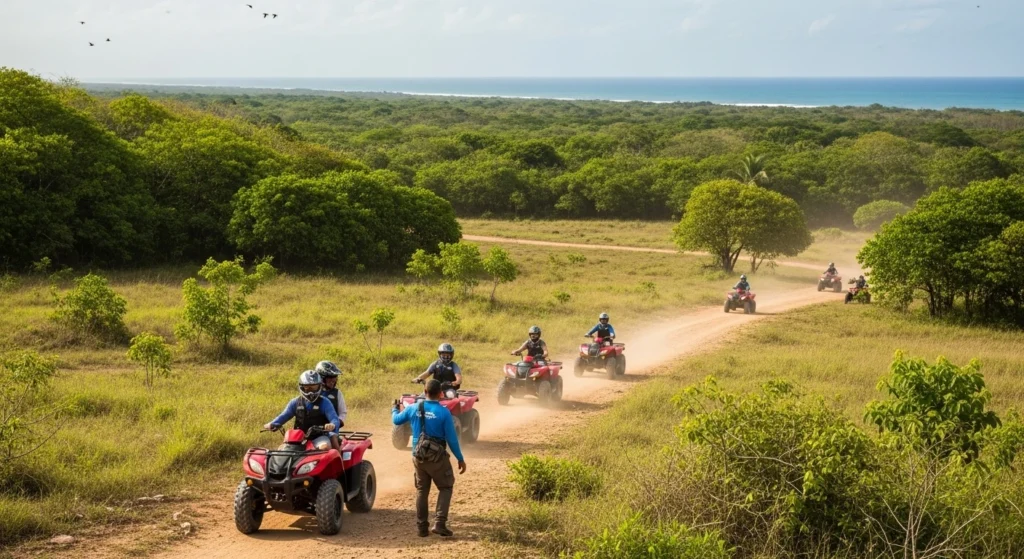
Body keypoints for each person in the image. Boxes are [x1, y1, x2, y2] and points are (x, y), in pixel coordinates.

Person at [392, 379, 467, 538]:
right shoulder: (444, 412)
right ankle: (439, 523)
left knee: (422, 490)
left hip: (418, 456)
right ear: (440, 394)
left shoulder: (413, 408)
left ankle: (422, 528)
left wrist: (394, 408)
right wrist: (460, 458)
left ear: (424, 393)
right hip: (437, 457)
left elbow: (396, 420)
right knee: (445, 487)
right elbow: (451, 439)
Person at [263, 370, 339, 450]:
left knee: (325, 447)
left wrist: (332, 425)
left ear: (319, 386)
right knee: (281, 450)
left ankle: (338, 461)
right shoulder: (295, 402)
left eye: (314, 387)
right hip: (297, 439)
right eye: (307, 388)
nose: (311, 391)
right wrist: (272, 424)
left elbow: (334, 419)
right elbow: (284, 415)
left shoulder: (325, 402)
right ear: (301, 387)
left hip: (319, 437)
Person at [315, 360, 347, 450]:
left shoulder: (337, 393)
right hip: (312, 429)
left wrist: (336, 423)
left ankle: (339, 462)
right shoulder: (312, 393)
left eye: (335, 377)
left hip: (331, 429)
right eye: (330, 377)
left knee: (333, 440)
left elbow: (343, 412)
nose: (333, 380)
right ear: (321, 378)